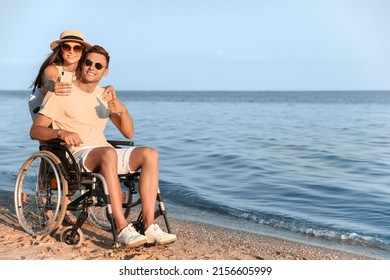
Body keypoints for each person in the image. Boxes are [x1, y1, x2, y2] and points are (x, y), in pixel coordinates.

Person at [30, 45, 177, 247]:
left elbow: (128, 132)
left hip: (103, 152)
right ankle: (122, 227)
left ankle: (149, 226)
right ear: (82, 65)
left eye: (98, 65)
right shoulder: (61, 91)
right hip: (77, 155)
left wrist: (121, 110)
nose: (92, 67)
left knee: (150, 154)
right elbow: (35, 131)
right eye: (88, 62)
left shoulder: (104, 96)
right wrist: (60, 132)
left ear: (105, 71)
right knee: (109, 153)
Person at [28, 30, 91, 121]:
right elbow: (50, 79)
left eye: (77, 48)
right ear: (61, 50)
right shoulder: (52, 68)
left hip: (61, 102)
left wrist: (107, 88)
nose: (72, 51)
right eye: (66, 47)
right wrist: (54, 85)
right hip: (39, 103)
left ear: (82, 51)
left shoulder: (83, 72)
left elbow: (90, 89)